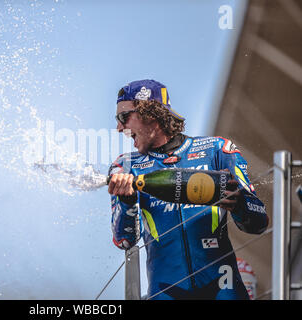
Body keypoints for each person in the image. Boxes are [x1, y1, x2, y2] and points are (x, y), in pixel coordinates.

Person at [108, 79, 268, 300]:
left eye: (123, 117)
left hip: (223, 287)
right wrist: (127, 202)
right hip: (165, 290)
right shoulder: (124, 166)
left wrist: (240, 204)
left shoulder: (217, 149)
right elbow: (123, 241)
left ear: (149, 113)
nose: (119, 128)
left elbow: (260, 223)